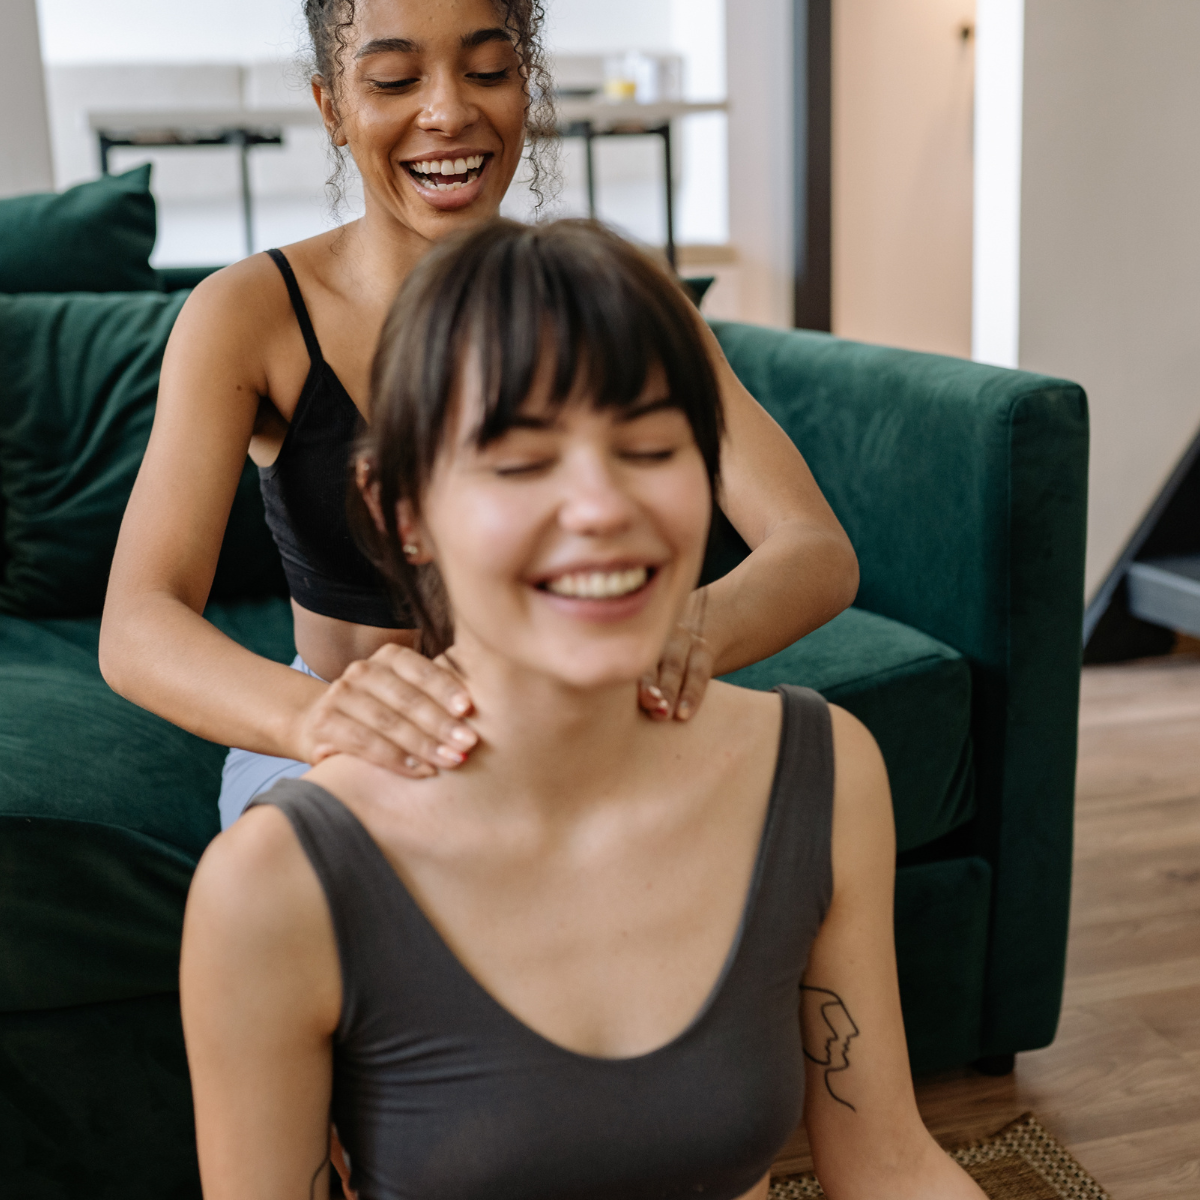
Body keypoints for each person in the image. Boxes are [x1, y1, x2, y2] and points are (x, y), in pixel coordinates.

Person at [180, 219, 985, 1200]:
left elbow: (890, 1164)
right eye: (523, 461)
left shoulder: (821, 774)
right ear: (402, 511)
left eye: (651, 445)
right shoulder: (273, 886)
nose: (604, 507)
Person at [99, 0, 857, 828]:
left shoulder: (613, 301)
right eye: (394, 79)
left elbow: (814, 549)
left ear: (524, 92)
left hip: (577, 719)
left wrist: (685, 632)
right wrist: (318, 718)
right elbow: (140, 623)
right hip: (346, 749)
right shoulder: (248, 315)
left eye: (488, 72)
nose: (448, 111)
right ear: (333, 110)